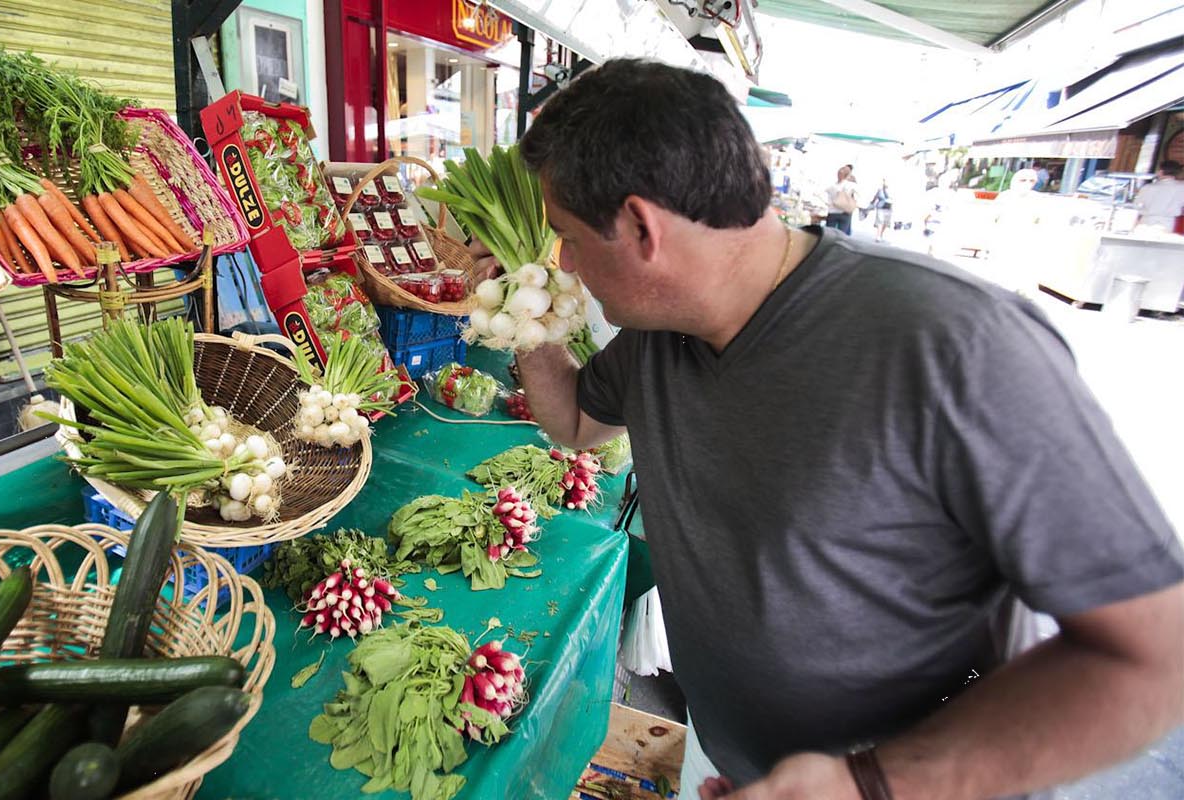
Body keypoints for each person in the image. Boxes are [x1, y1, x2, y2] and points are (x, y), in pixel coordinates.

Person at [473, 58, 1184, 800]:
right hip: (730, 761)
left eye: (568, 239)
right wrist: (515, 312)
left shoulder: (954, 345)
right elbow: (577, 420)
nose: (564, 264)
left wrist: (868, 785)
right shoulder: (660, 333)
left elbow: (1152, 656)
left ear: (642, 228)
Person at [1134, 160, 1184, 230]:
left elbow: (1136, 206)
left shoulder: (1148, 187)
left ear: (1161, 172)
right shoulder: (1181, 187)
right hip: (1168, 222)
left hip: (1146, 221)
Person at [823, 165, 858, 234]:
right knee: (841, 236)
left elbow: (820, 194)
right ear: (848, 175)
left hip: (832, 212)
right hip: (845, 213)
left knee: (829, 234)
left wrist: (828, 203)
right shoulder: (851, 185)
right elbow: (859, 196)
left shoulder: (831, 186)